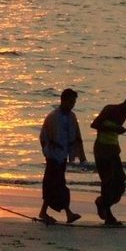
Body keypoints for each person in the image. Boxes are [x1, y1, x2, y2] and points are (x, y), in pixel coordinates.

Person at [90, 96, 126, 225]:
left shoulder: (123, 114)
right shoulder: (111, 109)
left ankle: (103, 203)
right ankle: (107, 214)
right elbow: (95, 124)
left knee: (120, 180)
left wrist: (119, 132)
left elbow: (113, 131)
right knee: (107, 181)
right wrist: (116, 129)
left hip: (113, 150)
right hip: (102, 149)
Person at [38, 88, 87, 225]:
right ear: (63, 100)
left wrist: (80, 154)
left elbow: (77, 136)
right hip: (53, 156)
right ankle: (66, 212)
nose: (72, 105)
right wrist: (49, 152)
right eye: (71, 102)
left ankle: (51, 212)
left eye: (74, 102)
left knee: (56, 185)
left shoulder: (72, 116)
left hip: (62, 155)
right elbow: (43, 137)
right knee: (55, 185)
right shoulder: (53, 116)